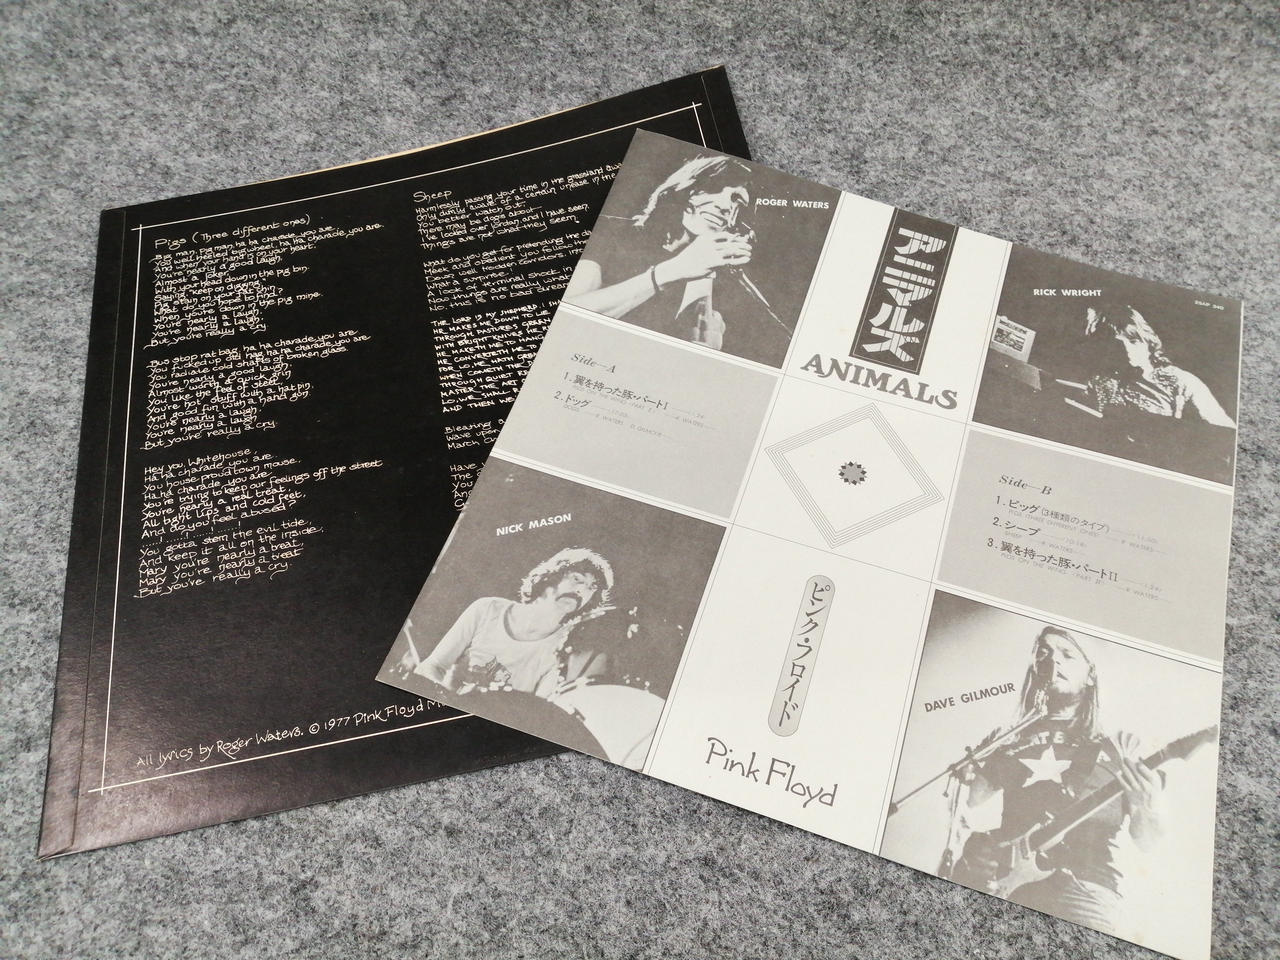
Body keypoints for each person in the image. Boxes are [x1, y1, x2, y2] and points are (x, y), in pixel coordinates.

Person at [947, 626, 1166, 934]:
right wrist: (976, 849)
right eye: (1044, 653)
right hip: (1012, 883)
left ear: (1090, 675)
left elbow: (1148, 841)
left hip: (1086, 887)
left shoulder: (1121, 744)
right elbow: (967, 804)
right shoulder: (1009, 739)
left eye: (1067, 654)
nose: (1054, 661)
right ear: (1035, 667)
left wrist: (1148, 806)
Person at [564, 154, 763, 356]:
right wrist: (672, 270)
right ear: (683, 188)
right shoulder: (612, 234)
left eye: (736, 201)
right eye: (713, 188)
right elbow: (567, 317)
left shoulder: (723, 281)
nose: (725, 206)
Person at [401, 548, 615, 700]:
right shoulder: (487, 609)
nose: (582, 590)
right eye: (577, 579)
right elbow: (432, 666)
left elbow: (541, 712)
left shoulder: (565, 647)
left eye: (591, 587)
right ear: (552, 576)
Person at [1082, 304, 1235, 427]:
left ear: (1148, 342)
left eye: (1133, 341)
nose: (1126, 350)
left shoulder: (1183, 382)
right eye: (1115, 345)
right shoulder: (1098, 381)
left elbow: (1224, 433)